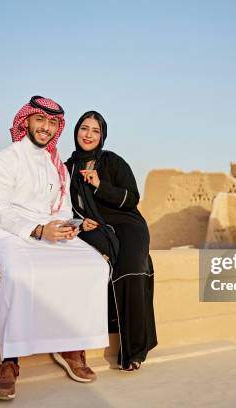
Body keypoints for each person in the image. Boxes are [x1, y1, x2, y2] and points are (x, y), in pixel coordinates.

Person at [0, 96, 110, 400]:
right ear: (27, 121)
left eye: (53, 123)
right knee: (19, 273)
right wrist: (37, 230)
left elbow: (61, 207)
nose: (46, 128)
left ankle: (71, 347)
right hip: (12, 231)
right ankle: (9, 361)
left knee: (94, 266)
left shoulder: (56, 166)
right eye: (40, 120)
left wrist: (68, 225)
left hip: (51, 230)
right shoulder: (3, 160)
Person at [65, 111, 157, 371]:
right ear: (76, 132)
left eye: (95, 131)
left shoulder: (113, 161)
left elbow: (131, 199)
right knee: (98, 261)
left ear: (102, 135)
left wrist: (99, 185)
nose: (89, 135)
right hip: (92, 227)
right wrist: (79, 223)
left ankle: (134, 351)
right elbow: (63, 208)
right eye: (84, 128)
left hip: (128, 225)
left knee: (130, 268)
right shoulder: (67, 169)